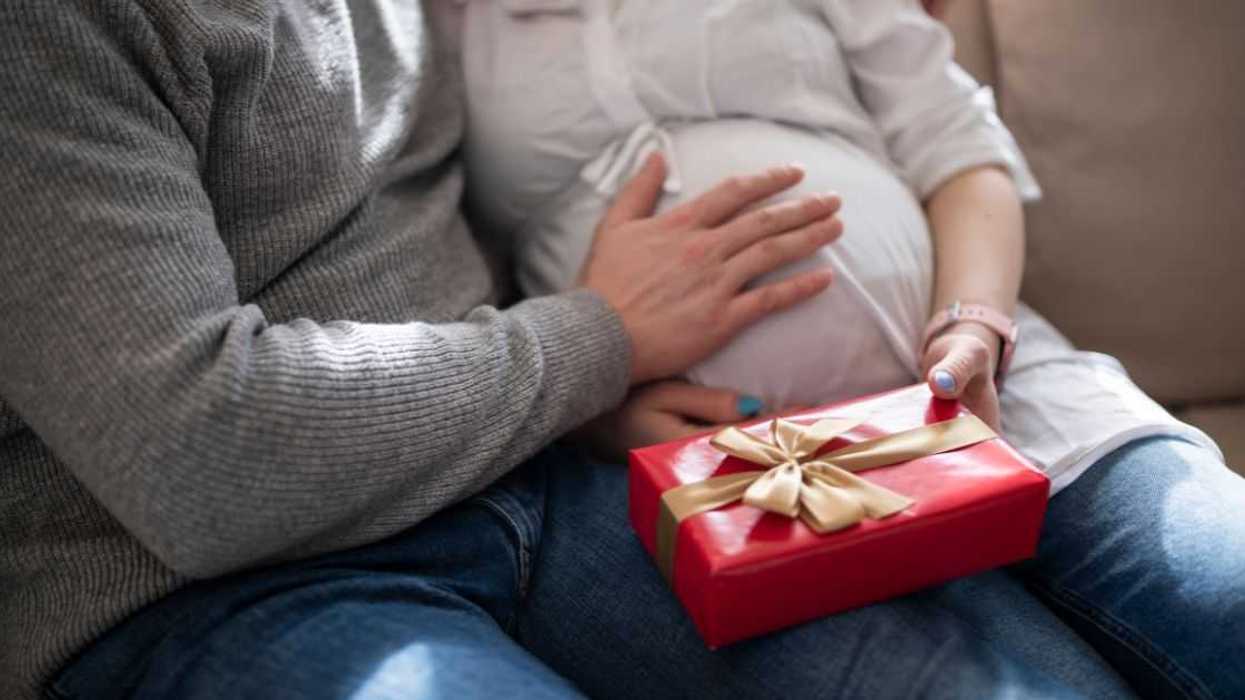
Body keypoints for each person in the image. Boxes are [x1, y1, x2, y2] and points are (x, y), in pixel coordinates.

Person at [0, 4, 1236, 700]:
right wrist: (596, 361)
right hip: (245, 579)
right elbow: (201, 457)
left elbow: (955, 137)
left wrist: (970, 325)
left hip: (575, 481)